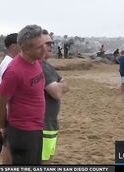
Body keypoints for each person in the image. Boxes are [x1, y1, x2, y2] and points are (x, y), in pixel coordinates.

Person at [0, 24, 46, 164]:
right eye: (39, 47)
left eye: (44, 45)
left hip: (37, 127)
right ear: (25, 49)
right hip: (22, 132)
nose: (44, 49)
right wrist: (4, 126)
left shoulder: (36, 61)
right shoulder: (13, 72)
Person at [41, 30, 69, 161]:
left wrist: (60, 85)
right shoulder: (41, 66)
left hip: (50, 123)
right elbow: (57, 93)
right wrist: (60, 85)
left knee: (48, 159)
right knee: (43, 161)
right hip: (43, 125)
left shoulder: (48, 66)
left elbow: (66, 85)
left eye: (52, 43)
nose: (51, 46)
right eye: (47, 43)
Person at [0, 33, 20, 164]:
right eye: (20, 44)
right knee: (9, 144)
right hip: (10, 110)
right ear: (13, 46)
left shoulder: (10, 62)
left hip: (11, 109)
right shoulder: (8, 64)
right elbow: (4, 92)